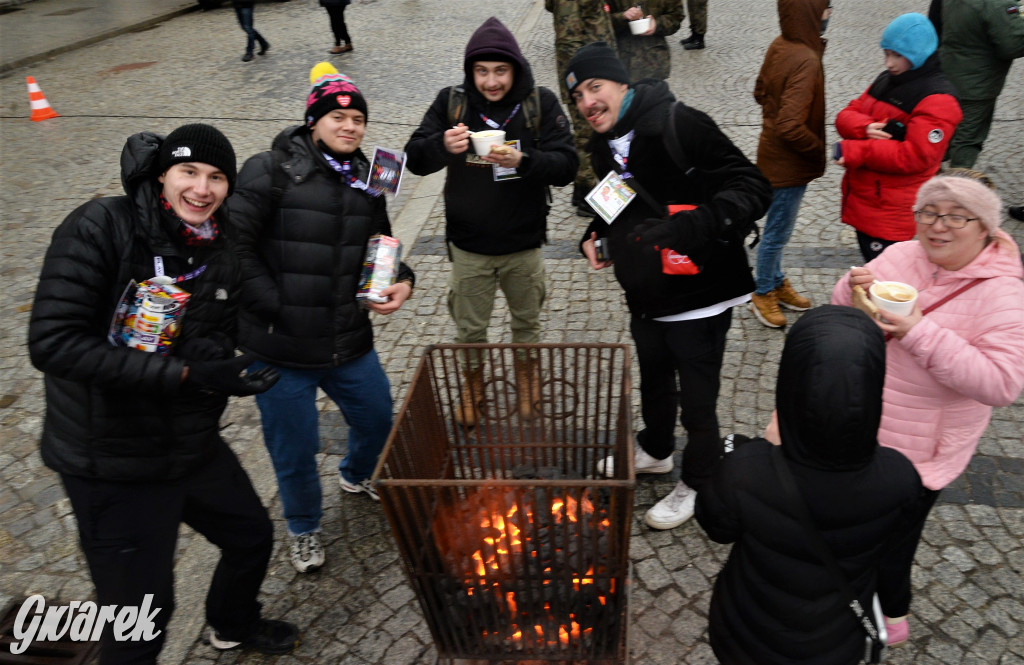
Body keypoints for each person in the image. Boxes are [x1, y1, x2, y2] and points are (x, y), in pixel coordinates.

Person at [27, 124, 298, 662]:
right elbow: (53, 343)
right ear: (161, 177)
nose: (202, 188)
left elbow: (216, 329)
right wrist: (188, 375)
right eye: (188, 172)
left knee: (251, 536)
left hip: (187, 442)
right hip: (111, 459)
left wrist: (227, 367)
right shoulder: (101, 225)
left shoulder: (221, 244)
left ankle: (233, 623)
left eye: (216, 177)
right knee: (141, 622)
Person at [566, 42, 772, 529]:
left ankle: (699, 480)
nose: (588, 102)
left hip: (701, 292)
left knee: (698, 403)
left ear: (622, 84)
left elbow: (753, 186)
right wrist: (593, 234)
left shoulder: (682, 123)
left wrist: (691, 226)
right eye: (577, 96)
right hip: (647, 293)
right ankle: (656, 449)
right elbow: (620, 197)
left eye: (595, 87)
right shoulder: (604, 143)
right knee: (655, 380)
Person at [231, 64, 415, 574]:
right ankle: (303, 526)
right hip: (279, 347)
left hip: (346, 339)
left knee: (378, 419)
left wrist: (402, 279)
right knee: (294, 448)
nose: (350, 126)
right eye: (338, 117)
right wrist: (276, 306)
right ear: (313, 121)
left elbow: (381, 245)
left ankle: (355, 474)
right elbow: (233, 247)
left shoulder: (370, 178)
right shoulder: (268, 169)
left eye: (358, 119)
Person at [831, 173, 1024, 645]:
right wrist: (851, 290)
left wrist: (918, 333)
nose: (938, 226)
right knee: (853, 528)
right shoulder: (901, 254)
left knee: (893, 544)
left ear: (986, 229)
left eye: (957, 217)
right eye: (929, 213)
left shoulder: (1003, 293)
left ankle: (891, 620)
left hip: (922, 451)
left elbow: (1002, 383)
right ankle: (844, 600)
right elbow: (844, 310)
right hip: (867, 424)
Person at [695, 306, 923, 665]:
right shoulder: (900, 478)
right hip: (836, 641)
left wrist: (755, 449)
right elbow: (894, 563)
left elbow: (717, 528)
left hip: (747, 634)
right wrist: (896, 612)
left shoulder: (746, 469)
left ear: (790, 382)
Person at [404, 17, 577, 427]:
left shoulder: (539, 103)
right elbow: (414, 157)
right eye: (481, 71)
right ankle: (474, 386)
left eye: (500, 70)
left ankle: (527, 382)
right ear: (471, 72)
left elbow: (568, 165)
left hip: (523, 243)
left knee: (527, 322)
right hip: (469, 246)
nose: (491, 81)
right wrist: (442, 145)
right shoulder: (453, 103)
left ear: (515, 68)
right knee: (470, 329)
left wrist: (524, 160)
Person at [834, 12, 961, 262]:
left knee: (887, 274)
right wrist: (865, 127)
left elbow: (915, 156)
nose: (889, 63)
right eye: (886, 54)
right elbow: (846, 114)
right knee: (876, 268)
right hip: (869, 201)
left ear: (918, 54)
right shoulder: (888, 79)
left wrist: (855, 150)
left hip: (891, 211)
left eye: (897, 55)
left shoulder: (938, 99)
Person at [748, 0, 830, 328]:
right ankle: (762, 291)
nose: (829, 14)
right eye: (826, 7)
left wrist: (771, 114)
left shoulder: (780, 44)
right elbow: (790, 125)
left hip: (771, 154)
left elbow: (759, 92)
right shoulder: (806, 58)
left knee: (777, 226)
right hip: (788, 165)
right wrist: (817, 149)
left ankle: (776, 279)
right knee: (777, 233)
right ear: (811, 12)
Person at [544, 0, 618, 215]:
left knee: (590, 134)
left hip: (594, 76)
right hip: (585, 83)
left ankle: (581, 189)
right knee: (588, 136)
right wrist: (586, 86)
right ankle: (588, 193)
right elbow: (568, 40)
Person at [936, 0, 1024, 168]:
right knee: (967, 140)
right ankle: (957, 181)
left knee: (945, 131)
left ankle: (929, 174)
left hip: (948, 74)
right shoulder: (999, 3)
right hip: (977, 85)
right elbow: (1012, 46)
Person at [607, 0, 684, 81]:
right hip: (619, 62)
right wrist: (622, 16)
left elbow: (676, 16)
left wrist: (657, 24)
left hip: (654, 62)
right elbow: (600, 23)